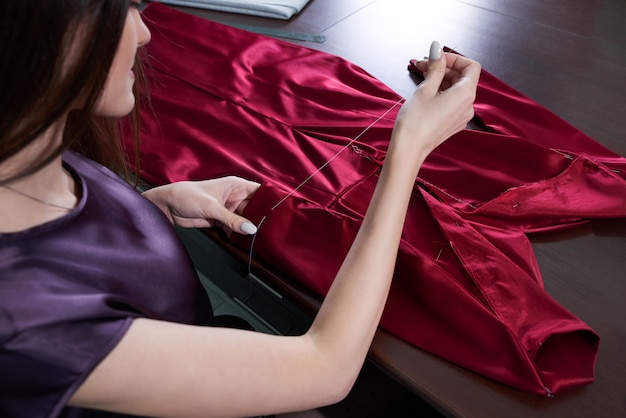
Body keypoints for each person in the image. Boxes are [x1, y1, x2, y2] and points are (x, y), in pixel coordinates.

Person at [0, 1, 481, 417]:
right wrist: (408, 152)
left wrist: (147, 211)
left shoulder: (26, 152)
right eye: (120, 10)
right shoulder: (23, 328)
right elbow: (324, 368)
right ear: (38, 40)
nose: (145, 32)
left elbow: (59, 251)